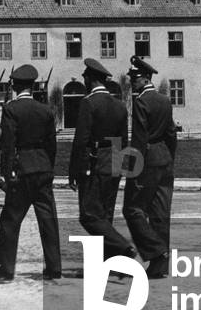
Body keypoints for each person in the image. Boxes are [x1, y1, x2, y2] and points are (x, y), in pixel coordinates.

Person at [0, 64, 62, 281]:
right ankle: (54, 267)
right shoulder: (45, 110)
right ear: (32, 86)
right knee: (48, 219)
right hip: (42, 168)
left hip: (21, 171)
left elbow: (8, 143)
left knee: (10, 219)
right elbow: (52, 145)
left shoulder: (11, 109)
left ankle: (7, 268)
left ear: (15, 86)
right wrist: (49, 167)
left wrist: (6, 171)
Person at [69, 58, 135, 263]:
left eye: (86, 78)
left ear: (91, 79)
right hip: (113, 160)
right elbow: (124, 140)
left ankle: (123, 246)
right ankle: (110, 262)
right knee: (105, 215)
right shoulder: (120, 106)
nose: (85, 81)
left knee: (89, 215)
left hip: (94, 162)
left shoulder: (88, 103)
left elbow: (81, 140)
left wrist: (74, 171)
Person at [122, 56, 177, 279]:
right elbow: (171, 134)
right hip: (165, 160)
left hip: (147, 162)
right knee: (160, 213)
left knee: (132, 209)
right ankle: (160, 265)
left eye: (134, 79)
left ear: (144, 79)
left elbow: (139, 138)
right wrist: (169, 158)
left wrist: (131, 169)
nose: (131, 83)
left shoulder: (141, 102)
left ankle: (155, 251)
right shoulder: (164, 100)